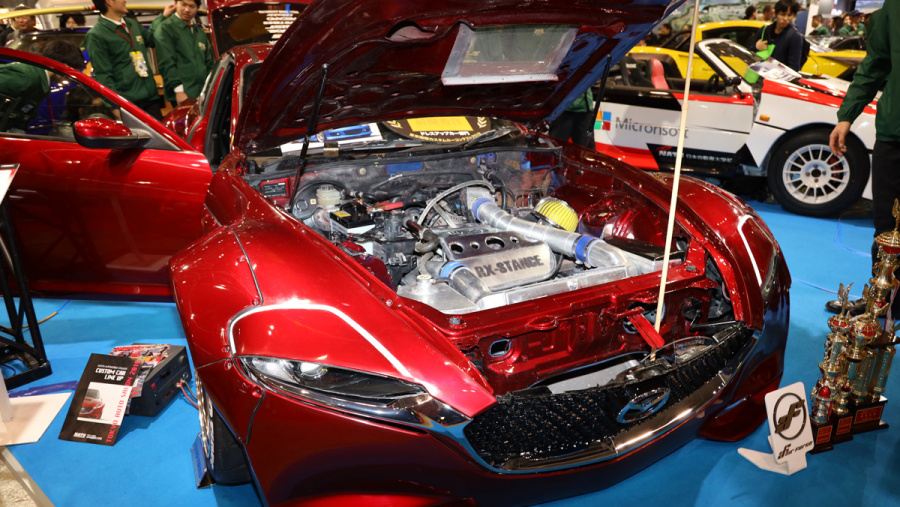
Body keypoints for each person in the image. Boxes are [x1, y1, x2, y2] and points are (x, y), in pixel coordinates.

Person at [825, 0, 898, 316]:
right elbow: (876, 63)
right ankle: (880, 301)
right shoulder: (893, 8)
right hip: (894, 133)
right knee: (886, 225)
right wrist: (847, 115)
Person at [84, 0, 171, 120]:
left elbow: (152, 39)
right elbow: (103, 75)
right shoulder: (96, 35)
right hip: (128, 104)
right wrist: (114, 107)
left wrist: (162, 17)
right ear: (109, 2)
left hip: (151, 99)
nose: (125, 1)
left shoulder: (132, 24)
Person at [0, 40, 85, 132]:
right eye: (69, 77)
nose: (69, 82)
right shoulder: (26, 76)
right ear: (62, 67)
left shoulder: (40, 82)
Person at [154, 0, 214, 106]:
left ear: (197, 8)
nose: (187, 10)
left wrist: (211, 88)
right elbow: (166, 62)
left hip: (203, 93)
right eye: (183, 4)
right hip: (182, 93)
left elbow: (209, 63)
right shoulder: (166, 28)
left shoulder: (199, 32)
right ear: (175, 3)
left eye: (192, 6)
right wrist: (178, 91)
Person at [755, 0, 804, 72]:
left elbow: (793, 68)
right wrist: (756, 47)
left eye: (789, 15)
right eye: (782, 14)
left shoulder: (795, 37)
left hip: (777, 77)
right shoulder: (764, 30)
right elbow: (750, 53)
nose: (786, 19)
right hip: (757, 74)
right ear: (775, 14)